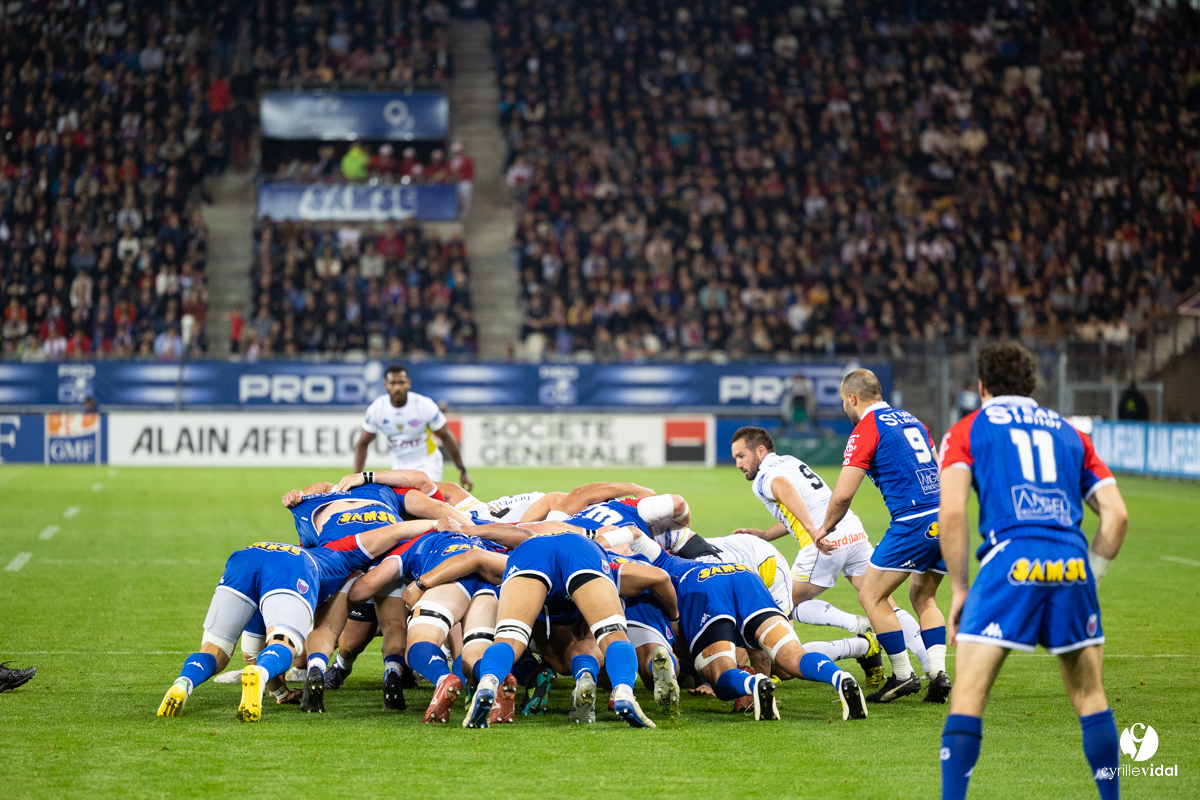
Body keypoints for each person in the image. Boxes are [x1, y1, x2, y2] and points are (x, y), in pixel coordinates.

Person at [937, 340, 1127, 800]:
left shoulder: (968, 429)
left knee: (968, 698)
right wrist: (1090, 574)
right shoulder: (1071, 432)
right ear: (1031, 384)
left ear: (982, 386)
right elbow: (1117, 515)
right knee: (1090, 698)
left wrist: (961, 587)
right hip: (1071, 563)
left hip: (1010, 562)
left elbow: (953, 512)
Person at [156, 516, 442, 721]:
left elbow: (250, 654)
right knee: (283, 644)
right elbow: (394, 532)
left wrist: (280, 692)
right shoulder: (344, 550)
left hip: (247, 557)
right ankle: (260, 675)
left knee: (216, 652)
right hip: (292, 569)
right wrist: (436, 523)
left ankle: (183, 684)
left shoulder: (313, 532)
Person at [814, 369, 952, 703]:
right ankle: (937, 672)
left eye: (844, 402)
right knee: (924, 597)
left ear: (852, 398)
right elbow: (936, 466)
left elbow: (844, 494)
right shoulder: (913, 420)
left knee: (871, 596)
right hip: (947, 518)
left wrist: (825, 528)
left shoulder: (866, 428)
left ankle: (903, 676)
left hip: (913, 520)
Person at [628, 532, 868, 722]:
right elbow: (635, 532)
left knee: (721, 676)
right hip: (745, 574)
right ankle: (839, 677)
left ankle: (754, 684)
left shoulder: (647, 571)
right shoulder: (669, 548)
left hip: (709, 587)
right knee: (791, 656)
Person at [464, 530, 675, 729]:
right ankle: (624, 692)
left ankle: (488, 682)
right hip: (581, 549)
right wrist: (675, 618)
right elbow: (658, 577)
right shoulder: (616, 565)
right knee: (612, 635)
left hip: (529, 552)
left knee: (509, 639)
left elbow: (476, 558)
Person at [354, 364, 472, 490]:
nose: (397, 387)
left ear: (409, 383)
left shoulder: (424, 405)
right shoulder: (377, 409)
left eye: (401, 382)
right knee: (404, 506)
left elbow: (446, 437)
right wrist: (356, 477)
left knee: (423, 502)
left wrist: (462, 471)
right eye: (393, 383)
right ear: (385, 385)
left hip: (428, 462)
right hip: (399, 465)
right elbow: (363, 443)